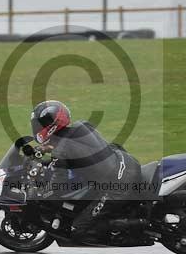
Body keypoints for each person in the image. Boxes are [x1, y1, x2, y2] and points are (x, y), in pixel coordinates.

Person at [30, 100, 141, 241]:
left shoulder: (61, 152)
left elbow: (57, 187)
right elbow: (74, 151)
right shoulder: (81, 126)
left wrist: (39, 194)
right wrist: (48, 155)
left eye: (39, 125)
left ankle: (125, 230)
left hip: (118, 186)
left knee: (78, 230)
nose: (36, 129)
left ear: (49, 126)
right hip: (128, 162)